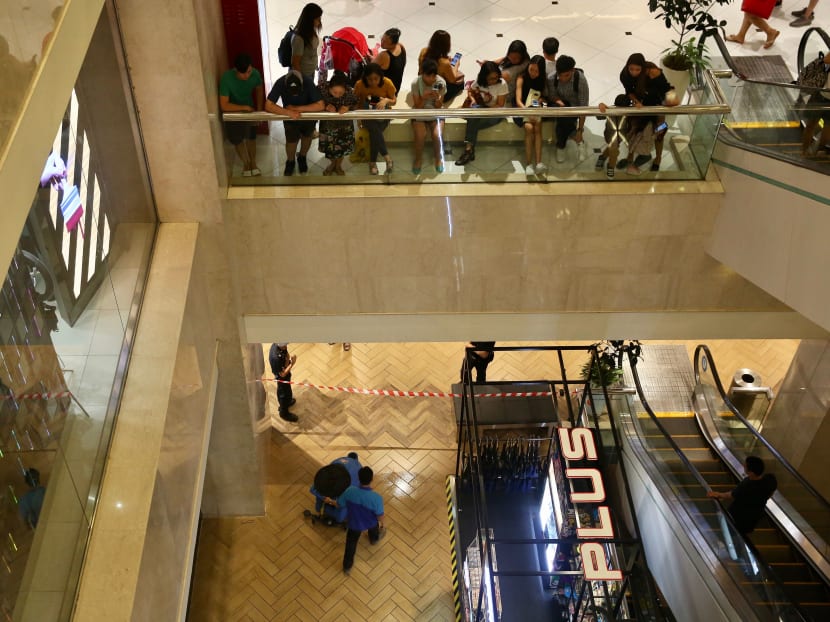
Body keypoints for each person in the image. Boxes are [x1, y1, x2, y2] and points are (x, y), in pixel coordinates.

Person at [265, 70, 324, 176]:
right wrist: (288, 112)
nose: (295, 94)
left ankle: (302, 157)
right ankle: (290, 161)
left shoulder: (308, 82)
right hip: (290, 117)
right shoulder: (280, 82)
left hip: (307, 115)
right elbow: (268, 105)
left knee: (307, 137)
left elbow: (320, 105)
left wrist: (296, 109)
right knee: (291, 141)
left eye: (297, 91)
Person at [454, 61, 509, 166]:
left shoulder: (502, 84)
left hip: (497, 112)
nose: (494, 80)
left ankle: (468, 150)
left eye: (496, 77)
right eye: (491, 78)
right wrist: (473, 99)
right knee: (473, 117)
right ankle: (469, 150)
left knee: (472, 121)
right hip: (483, 108)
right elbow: (470, 90)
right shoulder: (479, 82)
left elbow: (500, 105)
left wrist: (483, 111)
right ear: (484, 77)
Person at [219, 53, 264, 177]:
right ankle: (246, 163)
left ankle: (253, 163)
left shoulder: (255, 74)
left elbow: (259, 89)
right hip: (232, 112)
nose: (246, 76)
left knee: (251, 137)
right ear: (236, 70)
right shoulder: (226, 79)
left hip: (249, 111)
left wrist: (259, 111)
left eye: (248, 72)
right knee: (237, 139)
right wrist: (243, 107)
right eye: (242, 73)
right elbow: (224, 105)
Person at [707, 455, 778, 535]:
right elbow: (771, 492)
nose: (743, 465)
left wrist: (718, 494)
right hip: (753, 518)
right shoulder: (769, 480)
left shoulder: (747, 485)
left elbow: (731, 495)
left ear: (751, 472)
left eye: (745, 466)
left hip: (737, 516)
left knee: (731, 532)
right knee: (741, 534)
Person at [338, 466, 385, 575]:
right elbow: (380, 516)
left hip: (354, 524)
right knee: (374, 530)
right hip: (371, 522)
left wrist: (330, 501)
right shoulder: (376, 498)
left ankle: (347, 567)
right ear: (372, 479)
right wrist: (383, 525)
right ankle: (374, 540)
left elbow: (340, 504)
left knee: (350, 545)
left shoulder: (349, 491)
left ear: (358, 478)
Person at [354, 63, 397, 175]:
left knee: (374, 134)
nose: (373, 82)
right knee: (374, 129)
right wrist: (358, 117)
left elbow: (394, 100)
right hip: (366, 115)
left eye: (376, 79)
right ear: (365, 78)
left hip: (383, 115)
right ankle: (387, 158)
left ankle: (372, 163)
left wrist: (386, 100)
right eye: (370, 79)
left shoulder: (387, 83)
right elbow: (356, 102)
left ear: (381, 77)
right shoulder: (360, 85)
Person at [547, 55, 590, 163]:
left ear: (573, 70)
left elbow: (583, 106)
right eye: (560, 75)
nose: (562, 79)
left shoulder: (580, 80)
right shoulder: (552, 78)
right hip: (559, 104)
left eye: (566, 75)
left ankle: (561, 146)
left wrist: (580, 129)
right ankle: (579, 141)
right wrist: (560, 103)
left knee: (562, 122)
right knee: (562, 116)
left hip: (574, 107)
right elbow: (552, 96)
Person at [410, 58, 446, 174]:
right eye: (428, 76)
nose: (431, 79)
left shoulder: (441, 83)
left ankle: (438, 158)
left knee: (437, 135)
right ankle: (418, 159)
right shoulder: (416, 83)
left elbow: (439, 106)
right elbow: (417, 106)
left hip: (435, 111)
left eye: (433, 76)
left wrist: (437, 99)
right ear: (422, 73)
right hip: (420, 111)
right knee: (421, 135)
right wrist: (424, 97)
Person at [514, 55, 549, 175]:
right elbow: (518, 100)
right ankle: (529, 164)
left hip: (535, 108)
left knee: (538, 126)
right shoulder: (521, 78)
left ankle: (538, 163)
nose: (533, 73)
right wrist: (527, 112)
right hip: (521, 109)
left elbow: (545, 100)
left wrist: (541, 103)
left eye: (536, 71)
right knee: (529, 128)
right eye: (531, 69)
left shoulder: (543, 80)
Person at [318, 71, 357, 176]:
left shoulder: (350, 92)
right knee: (329, 148)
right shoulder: (322, 90)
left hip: (344, 125)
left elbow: (356, 104)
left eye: (341, 93)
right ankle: (332, 164)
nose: (337, 95)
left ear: (345, 89)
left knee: (342, 148)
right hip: (328, 124)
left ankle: (338, 165)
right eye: (334, 92)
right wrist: (325, 106)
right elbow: (315, 104)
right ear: (329, 88)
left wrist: (348, 107)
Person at [419, 30, 465, 103]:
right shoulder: (444, 63)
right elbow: (452, 79)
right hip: (436, 90)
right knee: (461, 79)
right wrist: (456, 65)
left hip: (422, 84)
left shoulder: (423, 51)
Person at [799, 52, 830, 155]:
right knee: (825, 128)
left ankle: (806, 152)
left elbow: (826, 59)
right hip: (820, 95)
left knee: (812, 126)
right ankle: (813, 152)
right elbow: (826, 60)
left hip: (821, 95)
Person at [291, 3, 323, 82]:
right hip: (304, 75)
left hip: (310, 72)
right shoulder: (299, 38)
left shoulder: (311, 30)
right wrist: (301, 80)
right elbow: (295, 63)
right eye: (317, 19)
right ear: (309, 19)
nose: (319, 21)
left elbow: (312, 50)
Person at [269, 342, 298, 422]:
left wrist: (287, 362)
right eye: (284, 346)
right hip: (282, 378)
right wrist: (292, 363)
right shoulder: (276, 358)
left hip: (285, 374)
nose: (286, 347)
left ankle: (287, 402)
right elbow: (282, 374)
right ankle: (283, 413)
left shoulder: (280, 346)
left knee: (288, 392)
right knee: (283, 395)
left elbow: (286, 354)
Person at [372, 28, 407, 95]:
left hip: (385, 93)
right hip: (396, 88)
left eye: (385, 42)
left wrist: (374, 57)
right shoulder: (400, 46)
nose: (382, 43)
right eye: (382, 39)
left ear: (393, 44)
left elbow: (370, 67)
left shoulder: (384, 55)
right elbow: (404, 63)